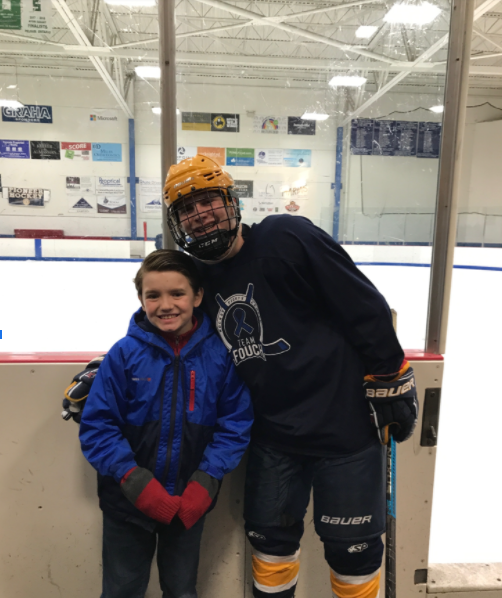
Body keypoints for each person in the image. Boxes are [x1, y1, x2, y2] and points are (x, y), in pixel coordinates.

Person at [65, 154, 418, 598]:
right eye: (188, 209)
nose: (201, 214)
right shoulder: (203, 281)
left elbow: (362, 303)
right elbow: (173, 331)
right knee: (271, 548)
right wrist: (110, 367)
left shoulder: (288, 235)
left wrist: (391, 372)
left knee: (354, 556)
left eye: (208, 200)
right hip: (272, 437)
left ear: (232, 202)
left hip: (342, 428)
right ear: (179, 223)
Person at [73, 249, 253, 598]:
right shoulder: (123, 355)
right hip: (126, 505)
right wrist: (134, 480)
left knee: (182, 590)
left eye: (177, 293)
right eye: (153, 295)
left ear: (197, 296)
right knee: (122, 589)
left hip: (189, 501)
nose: (165, 305)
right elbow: (98, 427)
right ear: (141, 299)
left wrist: (207, 480)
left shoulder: (219, 356)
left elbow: (235, 423)